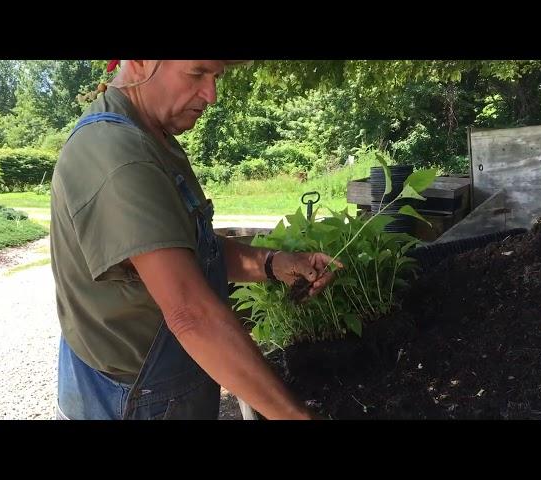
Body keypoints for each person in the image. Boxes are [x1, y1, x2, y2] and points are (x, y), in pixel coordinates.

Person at [51, 60, 342, 420]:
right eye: (197, 73)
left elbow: (186, 248)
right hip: (132, 399)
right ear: (141, 63)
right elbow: (191, 315)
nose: (212, 95)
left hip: (161, 381)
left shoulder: (151, 133)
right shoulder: (118, 155)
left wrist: (274, 263)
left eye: (216, 76)